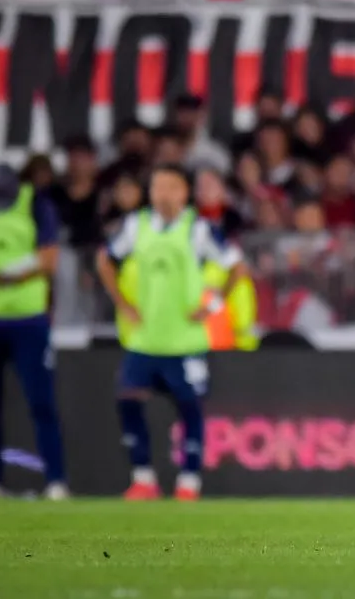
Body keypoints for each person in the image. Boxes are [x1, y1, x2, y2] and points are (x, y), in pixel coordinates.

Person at [96, 163, 246, 501]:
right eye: (157, 187)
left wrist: (211, 305)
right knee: (128, 402)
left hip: (185, 341)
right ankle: (143, 477)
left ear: (184, 192)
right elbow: (105, 260)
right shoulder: (136, 226)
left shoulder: (199, 229)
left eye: (170, 187)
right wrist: (122, 302)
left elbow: (236, 266)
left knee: (190, 409)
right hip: (145, 339)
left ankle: (189, 482)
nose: (163, 194)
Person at [0, 164, 68, 500]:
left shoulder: (36, 204)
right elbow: (40, 260)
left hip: (29, 319)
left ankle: (57, 481)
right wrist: (21, 269)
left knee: (42, 403)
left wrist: (4, 275)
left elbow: (50, 259)